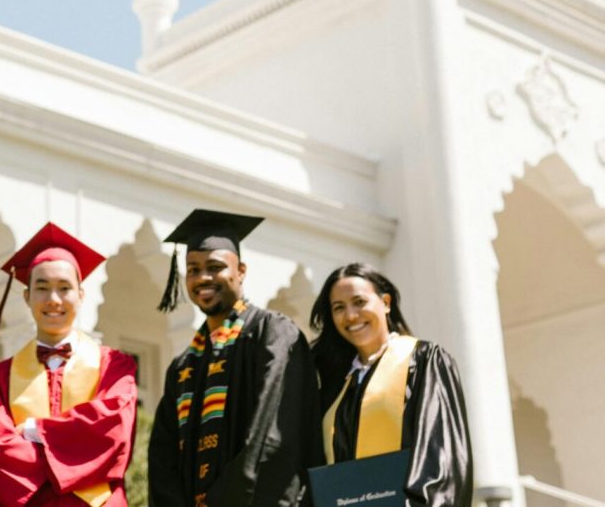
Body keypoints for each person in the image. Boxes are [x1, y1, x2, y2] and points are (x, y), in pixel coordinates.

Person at [148, 209, 322, 507]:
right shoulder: (183, 367)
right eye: (193, 269)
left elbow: (273, 436)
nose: (203, 278)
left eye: (215, 267)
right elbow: (163, 460)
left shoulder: (273, 335)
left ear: (240, 270)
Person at [0, 222, 138, 506]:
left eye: (64, 288)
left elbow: (113, 431)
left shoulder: (114, 366)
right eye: (42, 288)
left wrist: (34, 431)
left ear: (81, 295)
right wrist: (72, 454)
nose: (53, 300)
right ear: (26, 297)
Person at [309, 262, 472, 506]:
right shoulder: (336, 386)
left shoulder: (423, 362)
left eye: (359, 302)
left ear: (385, 302)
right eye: (339, 307)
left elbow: (442, 459)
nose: (351, 315)